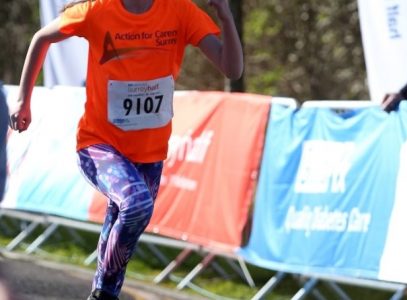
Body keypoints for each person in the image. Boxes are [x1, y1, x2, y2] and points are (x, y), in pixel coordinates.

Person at [8, 0, 243, 299]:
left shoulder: (180, 11)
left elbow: (232, 68)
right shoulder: (97, 11)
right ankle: (103, 293)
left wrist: (225, 16)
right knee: (136, 205)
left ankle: (103, 292)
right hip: (99, 145)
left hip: (150, 154)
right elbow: (41, 38)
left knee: (125, 219)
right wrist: (23, 100)